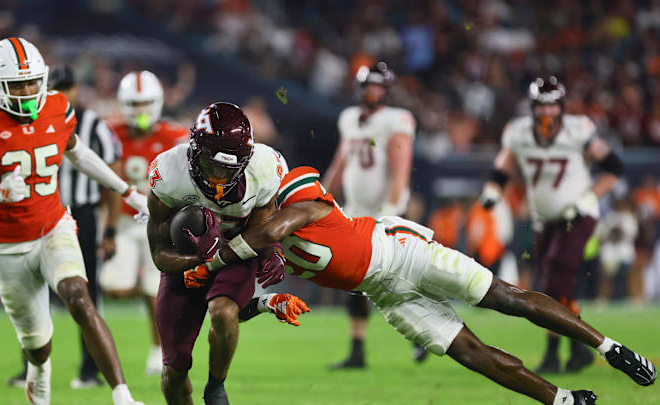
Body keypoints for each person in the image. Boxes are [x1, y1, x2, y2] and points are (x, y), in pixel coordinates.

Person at [184, 166, 656, 405]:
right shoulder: (250, 243)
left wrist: (215, 260)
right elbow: (234, 308)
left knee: (506, 298)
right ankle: (562, 401)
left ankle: (608, 347)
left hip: (400, 250)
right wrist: (267, 303)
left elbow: (271, 230)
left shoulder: (294, 191)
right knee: (468, 352)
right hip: (383, 291)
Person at [0, 37, 146, 405]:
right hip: (7, 246)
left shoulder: (57, 107)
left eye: (33, 81)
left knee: (79, 297)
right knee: (38, 345)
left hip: (54, 226)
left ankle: (122, 396)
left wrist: (126, 191)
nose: (27, 91)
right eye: (17, 84)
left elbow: (80, 154)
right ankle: (38, 368)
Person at [145, 102, 292, 405]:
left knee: (224, 312)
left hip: (236, 253)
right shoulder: (168, 173)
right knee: (174, 372)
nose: (218, 179)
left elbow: (265, 225)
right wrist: (197, 258)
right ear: (195, 151)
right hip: (185, 266)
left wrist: (272, 250)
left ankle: (216, 387)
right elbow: (160, 254)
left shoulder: (264, 169)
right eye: (212, 167)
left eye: (228, 170)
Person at [479, 76, 624, 374]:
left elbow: (613, 168)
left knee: (554, 278)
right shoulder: (518, 132)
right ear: (533, 108)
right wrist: (493, 190)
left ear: (562, 107)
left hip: (577, 216)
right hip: (543, 219)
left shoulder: (578, 130)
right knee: (557, 286)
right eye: (542, 107)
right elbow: (503, 168)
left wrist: (589, 197)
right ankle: (578, 348)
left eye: (553, 106)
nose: (547, 113)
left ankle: (552, 352)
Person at [5, 64, 123, 389]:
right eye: (55, 87)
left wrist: (110, 230)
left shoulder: (93, 123)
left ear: (75, 90)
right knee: (32, 289)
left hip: (81, 215)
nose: (60, 93)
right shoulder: (27, 120)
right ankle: (31, 368)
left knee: (88, 293)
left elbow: (112, 173)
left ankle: (89, 370)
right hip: (41, 214)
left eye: (66, 87)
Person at [322, 61, 423, 368]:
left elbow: (400, 169)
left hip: (384, 213)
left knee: (395, 280)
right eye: (368, 86)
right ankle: (357, 350)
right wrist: (321, 195)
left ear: (387, 90)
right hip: (355, 212)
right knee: (354, 281)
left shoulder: (395, 120)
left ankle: (421, 334)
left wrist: (391, 211)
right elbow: (342, 161)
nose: (372, 92)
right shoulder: (350, 118)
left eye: (378, 86)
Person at [98, 70, 189, 375]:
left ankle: (158, 350)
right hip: (123, 222)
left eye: (146, 102)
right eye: (134, 103)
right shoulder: (109, 132)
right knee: (113, 288)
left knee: (156, 290)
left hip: (161, 223)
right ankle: (145, 290)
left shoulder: (175, 137)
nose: (140, 110)